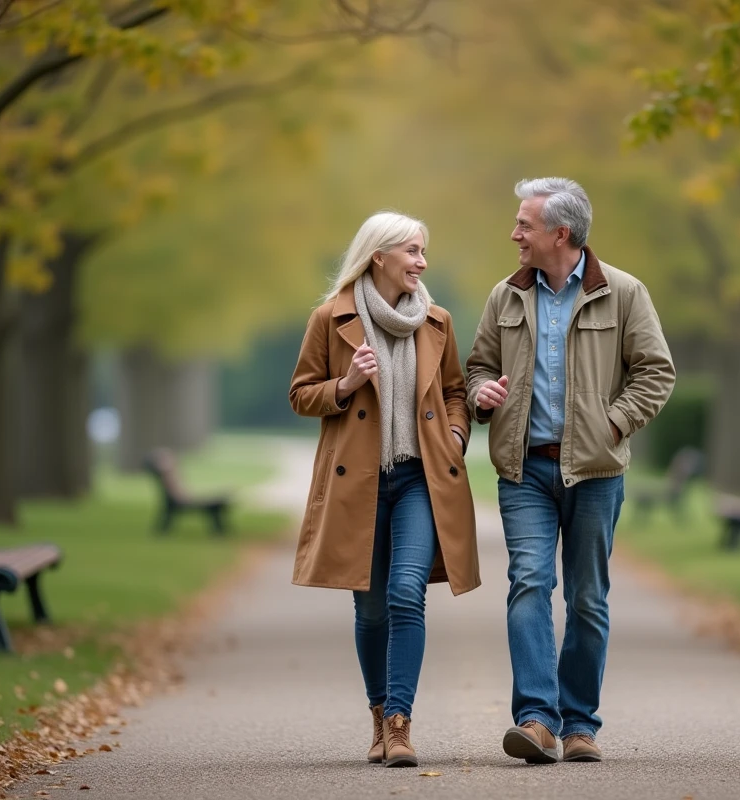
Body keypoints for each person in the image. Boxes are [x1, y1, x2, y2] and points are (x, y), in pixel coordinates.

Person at [466, 177, 675, 764]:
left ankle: (580, 723)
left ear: (561, 233)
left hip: (596, 473)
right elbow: (478, 365)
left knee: (587, 598)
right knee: (530, 582)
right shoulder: (505, 296)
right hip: (524, 469)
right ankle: (536, 719)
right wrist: (484, 393)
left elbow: (656, 373)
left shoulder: (625, 293)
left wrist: (612, 425)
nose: (515, 234)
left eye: (524, 225)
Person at [289, 211, 480, 768]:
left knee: (405, 594)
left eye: (424, 252)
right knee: (371, 609)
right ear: (379, 256)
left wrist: (453, 433)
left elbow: (454, 391)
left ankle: (399, 724)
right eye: (413, 251)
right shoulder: (331, 318)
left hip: (420, 479)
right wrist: (344, 385)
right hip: (360, 484)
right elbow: (301, 393)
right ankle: (378, 715)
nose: (422, 261)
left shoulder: (436, 320)